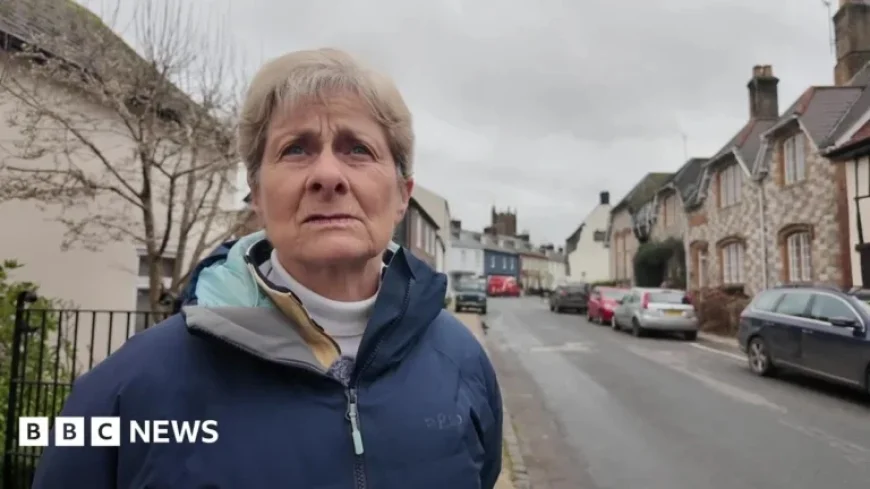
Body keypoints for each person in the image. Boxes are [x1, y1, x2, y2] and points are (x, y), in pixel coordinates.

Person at [32, 48, 503, 489]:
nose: (327, 175)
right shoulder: (122, 395)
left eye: (357, 148)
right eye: (296, 148)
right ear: (256, 195)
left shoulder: (463, 365)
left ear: (402, 195)